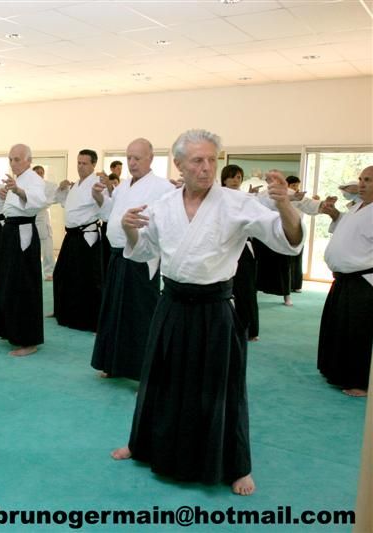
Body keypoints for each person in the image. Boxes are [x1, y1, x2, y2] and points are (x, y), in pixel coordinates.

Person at [111, 129, 304, 496]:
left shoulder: (236, 204)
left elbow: (288, 241)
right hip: (172, 305)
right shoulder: (163, 206)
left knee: (222, 389)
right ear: (179, 165)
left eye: (213, 160)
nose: (206, 168)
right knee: (160, 380)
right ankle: (143, 445)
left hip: (216, 308)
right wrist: (128, 230)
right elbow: (141, 252)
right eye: (197, 161)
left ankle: (236, 465)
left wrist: (284, 205)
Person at [91, 138, 174, 380]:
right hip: (117, 256)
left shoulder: (163, 188)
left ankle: (143, 372)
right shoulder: (124, 186)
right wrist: (99, 197)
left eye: (137, 157)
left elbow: (166, 223)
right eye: (129, 157)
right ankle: (114, 364)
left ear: (150, 158)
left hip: (141, 256)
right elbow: (109, 214)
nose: (132, 162)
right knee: (115, 312)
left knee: (140, 315)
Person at [316, 166, 373, 397]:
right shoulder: (358, 206)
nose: (361, 184)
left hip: (364, 281)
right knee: (339, 328)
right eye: (360, 179)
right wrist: (334, 215)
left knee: (359, 332)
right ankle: (336, 371)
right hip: (343, 280)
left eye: (367, 180)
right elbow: (347, 230)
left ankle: (360, 382)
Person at [0, 144, 47, 357]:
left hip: (24, 232)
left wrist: (18, 191)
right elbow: (14, 204)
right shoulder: (17, 180)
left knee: (24, 283)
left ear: (29, 160)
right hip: (10, 230)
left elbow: (38, 203)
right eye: (10, 159)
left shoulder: (34, 180)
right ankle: (8, 327)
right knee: (7, 280)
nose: (13, 163)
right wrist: (8, 194)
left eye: (17, 159)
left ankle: (28, 340)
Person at [50, 149, 105, 331]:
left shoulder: (97, 183)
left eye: (85, 163)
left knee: (87, 278)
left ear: (93, 164)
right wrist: (62, 188)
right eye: (79, 163)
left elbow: (105, 205)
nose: (80, 167)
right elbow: (64, 203)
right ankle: (63, 311)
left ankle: (91, 320)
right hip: (72, 236)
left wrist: (108, 187)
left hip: (87, 236)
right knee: (62, 274)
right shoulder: (75, 185)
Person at [254, 174, 322, 306]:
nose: (272, 181)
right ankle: (256, 291)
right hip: (265, 235)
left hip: (285, 234)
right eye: (270, 179)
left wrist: (321, 204)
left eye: (275, 178)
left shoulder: (290, 192)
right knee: (260, 267)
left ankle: (287, 296)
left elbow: (306, 203)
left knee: (284, 268)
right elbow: (260, 203)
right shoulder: (262, 194)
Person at [221, 164, 259, 341]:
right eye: (232, 177)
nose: (236, 180)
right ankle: (227, 326)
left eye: (239, 177)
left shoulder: (247, 198)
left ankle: (249, 328)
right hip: (222, 247)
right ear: (224, 179)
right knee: (224, 288)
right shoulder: (216, 197)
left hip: (243, 248)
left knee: (246, 289)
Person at [33, 165, 58, 281]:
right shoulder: (28, 185)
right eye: (36, 172)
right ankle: (31, 271)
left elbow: (53, 197)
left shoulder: (49, 186)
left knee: (47, 247)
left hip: (42, 217)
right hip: (30, 217)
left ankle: (49, 272)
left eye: (41, 172)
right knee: (31, 247)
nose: (39, 174)